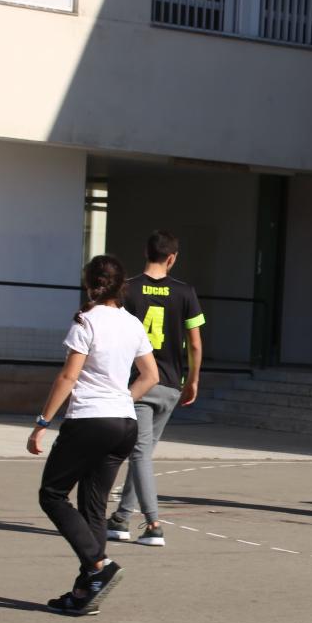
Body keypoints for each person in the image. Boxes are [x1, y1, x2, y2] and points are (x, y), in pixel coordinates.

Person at [28, 255, 158, 616]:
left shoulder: (85, 321)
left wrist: (42, 422)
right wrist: (122, 400)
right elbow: (151, 376)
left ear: (89, 284)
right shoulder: (132, 323)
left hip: (89, 421)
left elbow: (68, 378)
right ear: (122, 287)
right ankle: (85, 592)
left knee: (52, 494)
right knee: (93, 508)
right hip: (124, 423)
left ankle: (99, 565)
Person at [106, 231, 205, 547]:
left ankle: (153, 524)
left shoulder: (128, 289)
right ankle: (121, 517)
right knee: (143, 453)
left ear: (145, 252)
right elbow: (196, 344)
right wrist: (193, 380)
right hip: (171, 384)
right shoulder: (186, 292)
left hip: (140, 382)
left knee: (140, 455)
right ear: (172, 258)